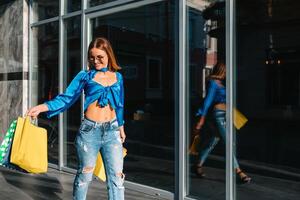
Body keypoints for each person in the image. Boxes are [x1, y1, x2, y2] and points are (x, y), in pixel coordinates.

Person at [27, 37, 126, 199]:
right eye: (92, 57)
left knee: (117, 178)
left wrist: (121, 127)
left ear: (109, 55)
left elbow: (120, 104)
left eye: (100, 57)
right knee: (84, 177)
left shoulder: (118, 78)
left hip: (112, 131)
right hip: (89, 132)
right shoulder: (85, 76)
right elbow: (66, 98)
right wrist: (42, 107)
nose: (96, 61)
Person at [194, 61, 251, 183]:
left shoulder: (220, 83)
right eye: (225, 72)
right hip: (217, 116)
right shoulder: (213, 83)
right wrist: (202, 119)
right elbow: (207, 101)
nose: (226, 74)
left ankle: (198, 165)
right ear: (221, 71)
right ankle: (238, 171)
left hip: (224, 115)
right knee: (228, 142)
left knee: (212, 141)